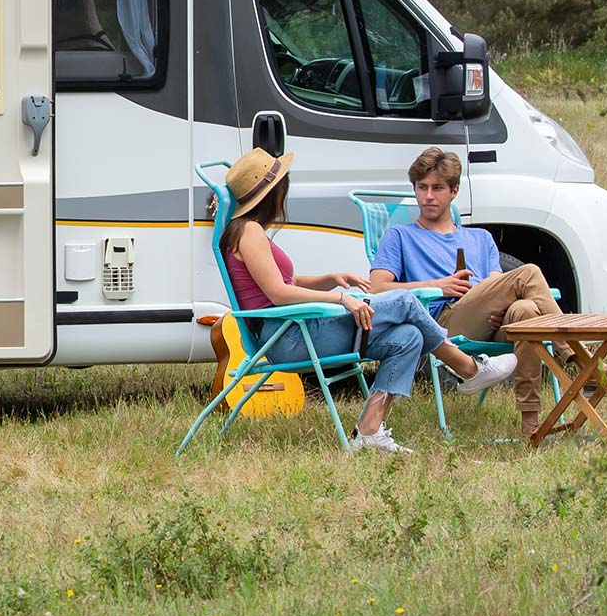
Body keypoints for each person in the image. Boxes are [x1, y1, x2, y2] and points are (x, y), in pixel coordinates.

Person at [221, 149, 517, 454]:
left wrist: (330, 277)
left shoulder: (248, 231)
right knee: (403, 301)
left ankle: (369, 431)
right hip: (288, 336)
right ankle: (467, 368)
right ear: (274, 191)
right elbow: (278, 295)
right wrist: (341, 298)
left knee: (408, 337)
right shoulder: (250, 232)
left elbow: (287, 284)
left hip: (295, 328)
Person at [365, 147, 607, 438]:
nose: (428, 196)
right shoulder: (401, 235)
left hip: (490, 319)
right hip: (445, 324)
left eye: (437, 188)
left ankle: (531, 427)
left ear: (454, 190)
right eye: (422, 188)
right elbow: (378, 287)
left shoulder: (480, 238)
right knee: (529, 272)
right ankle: (584, 365)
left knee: (524, 313)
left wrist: (499, 305)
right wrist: (438, 285)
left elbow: (496, 283)